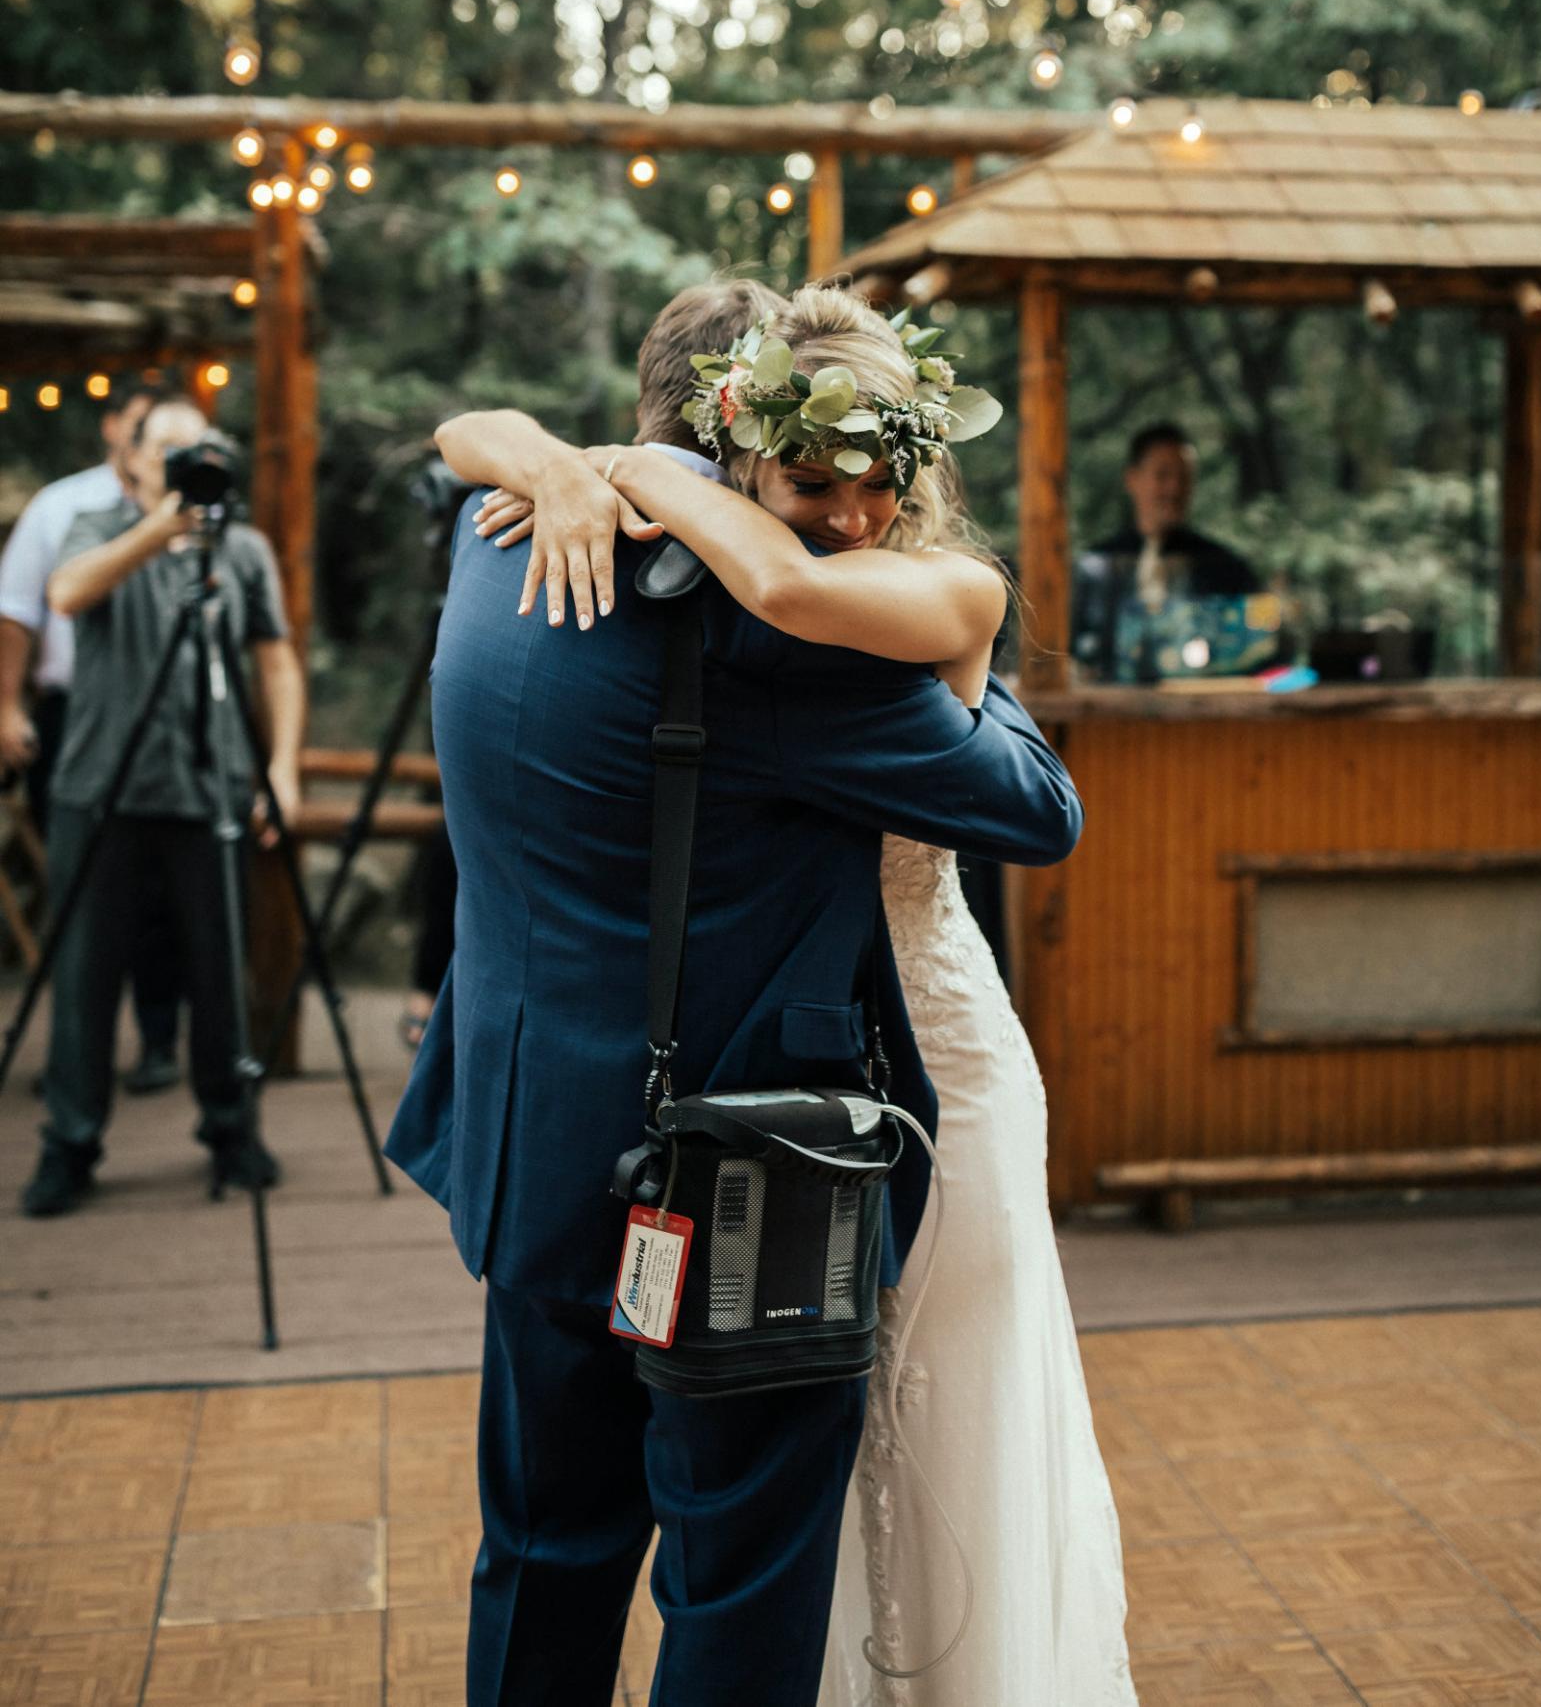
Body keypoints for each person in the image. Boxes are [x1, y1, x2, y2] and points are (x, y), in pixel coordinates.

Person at [387, 280, 1084, 1707]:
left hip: (526, 1143)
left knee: (539, 1547)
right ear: (735, 436)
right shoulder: (790, 649)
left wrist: (537, 453)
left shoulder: (493, 542)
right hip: (735, 1184)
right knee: (738, 1581)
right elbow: (1026, 805)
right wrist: (970, 631)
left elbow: (461, 440)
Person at [18, 398, 302, 1218]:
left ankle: (232, 1131)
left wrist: (279, 767)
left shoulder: (241, 548)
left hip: (208, 786)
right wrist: (161, 529)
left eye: (200, 447)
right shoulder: (96, 525)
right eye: (169, 446)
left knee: (220, 971)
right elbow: (66, 594)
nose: (184, 460)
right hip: (99, 790)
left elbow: (276, 663)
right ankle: (69, 1143)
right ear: (134, 458)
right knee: (84, 979)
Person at [0, 384, 185, 1093]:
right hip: (74, 715)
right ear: (117, 433)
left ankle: (161, 1040)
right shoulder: (64, 505)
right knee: (80, 893)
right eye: (144, 430)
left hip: (169, 719)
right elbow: (19, 610)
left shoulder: (202, 514)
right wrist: (9, 706)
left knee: (162, 901)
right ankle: (75, 1065)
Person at [1073, 417, 1261, 682]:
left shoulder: (1224, 568)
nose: (1174, 489)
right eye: (1162, 475)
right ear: (1132, 479)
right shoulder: (1095, 567)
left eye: (1184, 478)